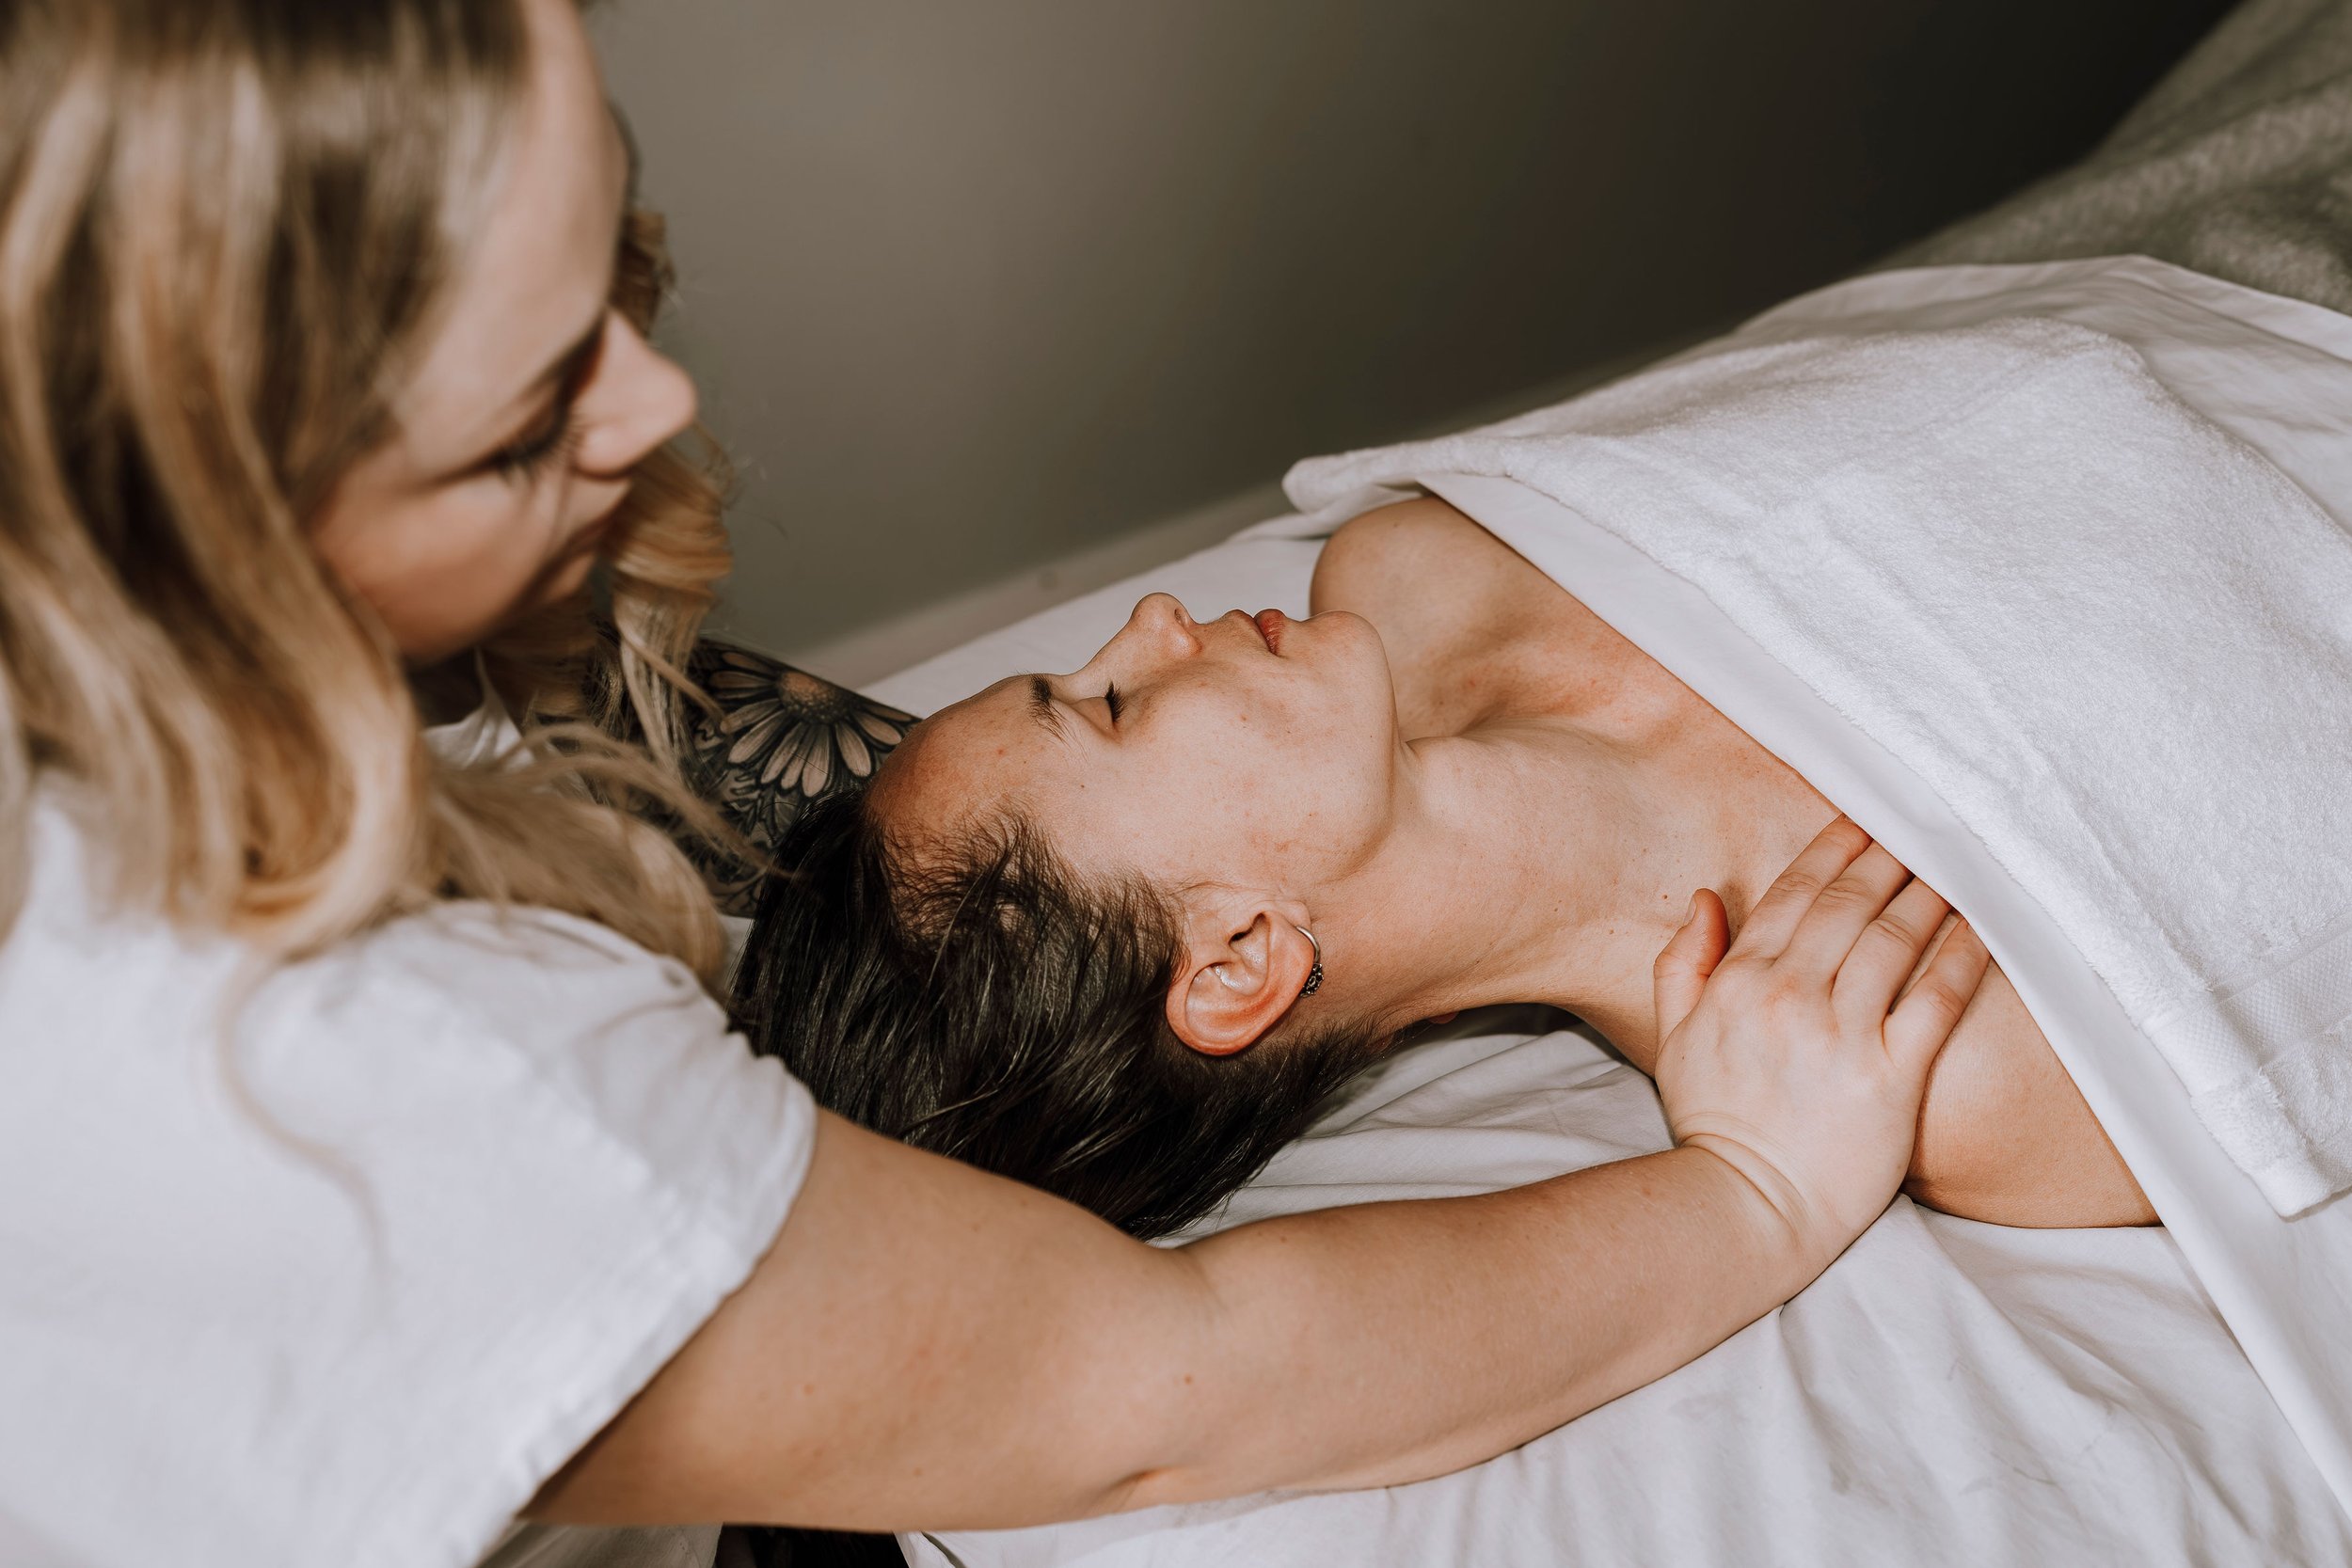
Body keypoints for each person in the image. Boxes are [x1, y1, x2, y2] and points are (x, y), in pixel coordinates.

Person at [0, 3, 1991, 1564]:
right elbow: (1164, 1390)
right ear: (201, 534)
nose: (659, 399)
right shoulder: (348, 1089)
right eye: (527, 426)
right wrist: (1742, 1195)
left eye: (610, 250)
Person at [742, 495, 2158, 1240]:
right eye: (1111, 703)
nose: (1157, 616)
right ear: (1237, 960)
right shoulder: (1943, 1052)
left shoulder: (1420, 566)